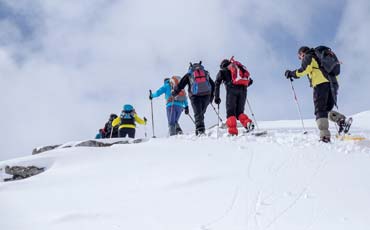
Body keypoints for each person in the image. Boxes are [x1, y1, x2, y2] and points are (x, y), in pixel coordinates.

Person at [285, 46, 349, 143]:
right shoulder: (320, 56)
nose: (300, 59)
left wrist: (291, 74)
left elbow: (303, 70)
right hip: (333, 84)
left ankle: (324, 137)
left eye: (299, 57)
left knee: (319, 110)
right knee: (325, 111)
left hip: (320, 84)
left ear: (302, 53)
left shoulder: (309, 56)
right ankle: (341, 120)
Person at [172, 61, 215, 136]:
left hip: (194, 96)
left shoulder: (189, 74)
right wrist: (211, 98)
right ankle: (200, 128)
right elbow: (213, 85)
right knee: (201, 113)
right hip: (206, 95)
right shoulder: (205, 73)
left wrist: (174, 93)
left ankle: (200, 131)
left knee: (198, 113)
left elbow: (181, 85)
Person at [214, 58, 254, 135]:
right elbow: (250, 81)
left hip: (231, 92)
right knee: (239, 112)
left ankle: (233, 132)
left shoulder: (222, 71)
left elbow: (217, 83)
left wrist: (217, 97)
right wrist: (242, 87)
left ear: (222, 66)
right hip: (243, 91)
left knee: (230, 113)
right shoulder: (238, 68)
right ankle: (248, 123)